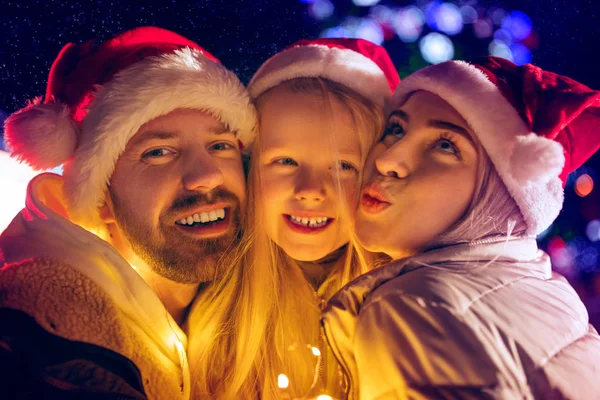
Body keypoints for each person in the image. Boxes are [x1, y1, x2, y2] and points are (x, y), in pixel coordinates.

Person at [321, 56, 600, 399]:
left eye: (445, 146)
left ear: (502, 193)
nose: (387, 160)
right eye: (396, 128)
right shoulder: (546, 287)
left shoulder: (414, 308)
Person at [0, 27, 256, 399]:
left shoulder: (251, 309)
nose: (206, 176)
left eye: (219, 145)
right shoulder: (45, 324)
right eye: (159, 152)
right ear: (101, 198)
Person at [186, 38, 399, 399]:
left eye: (343, 166)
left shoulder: (405, 307)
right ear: (250, 169)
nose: (311, 189)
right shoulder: (216, 314)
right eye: (286, 161)